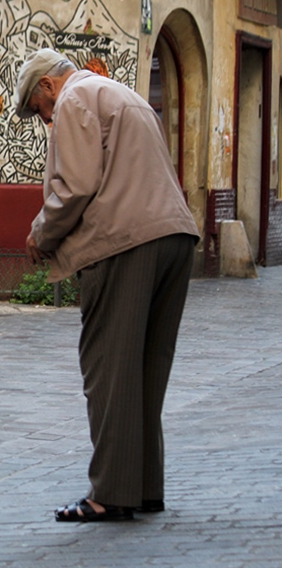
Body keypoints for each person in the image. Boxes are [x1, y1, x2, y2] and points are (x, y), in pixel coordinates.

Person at [13, 48, 199, 522]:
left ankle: (112, 494)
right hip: (173, 237)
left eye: (40, 110)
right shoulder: (126, 95)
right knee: (145, 370)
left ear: (47, 87)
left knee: (109, 370)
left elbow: (75, 186)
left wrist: (41, 232)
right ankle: (145, 487)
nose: (47, 120)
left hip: (123, 243)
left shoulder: (74, 99)